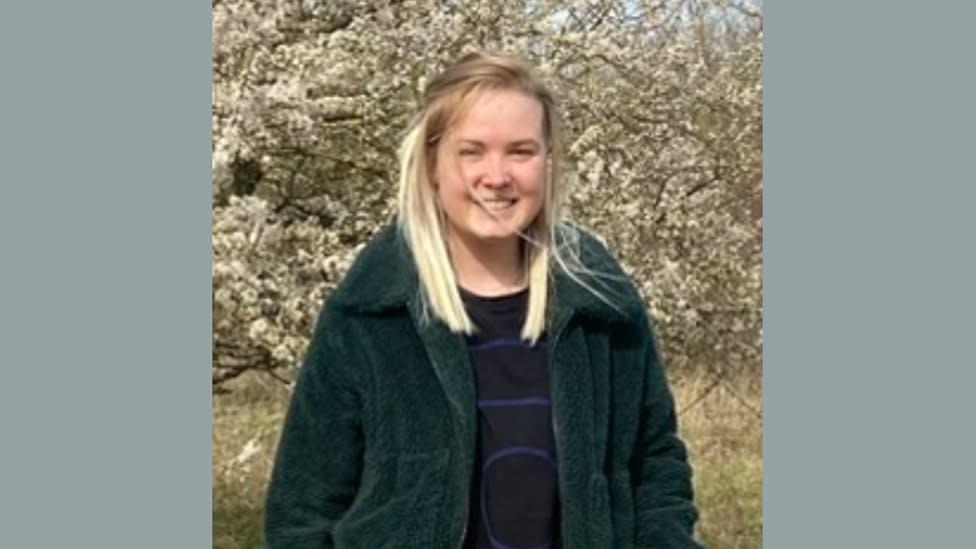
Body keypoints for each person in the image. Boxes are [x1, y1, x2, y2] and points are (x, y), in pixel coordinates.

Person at [264, 50, 704, 549]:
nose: (496, 176)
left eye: (521, 151)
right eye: (472, 151)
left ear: (549, 160)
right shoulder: (370, 312)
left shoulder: (601, 306)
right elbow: (303, 506)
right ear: (433, 163)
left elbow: (655, 464)